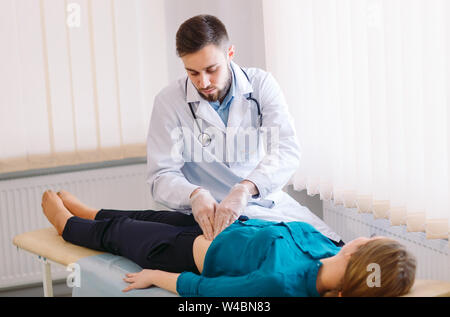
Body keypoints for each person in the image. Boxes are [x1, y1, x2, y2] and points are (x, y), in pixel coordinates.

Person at [146, 14, 342, 244]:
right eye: (193, 73)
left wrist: (245, 189)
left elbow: (286, 150)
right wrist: (194, 194)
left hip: (264, 201)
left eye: (212, 69)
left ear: (230, 54)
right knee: (274, 252)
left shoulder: (261, 85)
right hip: (208, 215)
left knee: (333, 247)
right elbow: (161, 175)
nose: (204, 82)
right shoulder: (169, 102)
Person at [41, 190, 416, 297]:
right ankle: (92, 212)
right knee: (149, 214)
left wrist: (157, 276)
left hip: (182, 252)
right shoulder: (328, 248)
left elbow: (209, 290)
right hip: (221, 225)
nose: (363, 236)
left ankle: (67, 226)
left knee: (121, 232)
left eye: (371, 238)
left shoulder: (283, 283)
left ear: (359, 253)